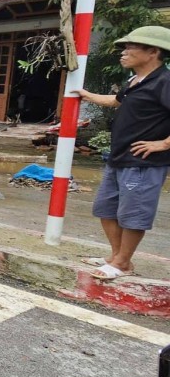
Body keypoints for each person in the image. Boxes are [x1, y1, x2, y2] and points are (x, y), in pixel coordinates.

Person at [73, 26, 170, 280]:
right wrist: (85, 95)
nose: (124, 52)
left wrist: (163, 144)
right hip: (118, 157)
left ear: (153, 52)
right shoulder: (135, 81)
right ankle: (116, 258)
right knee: (106, 209)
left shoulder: (165, 82)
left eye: (130, 47)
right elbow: (117, 101)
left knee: (133, 215)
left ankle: (122, 262)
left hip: (143, 163)